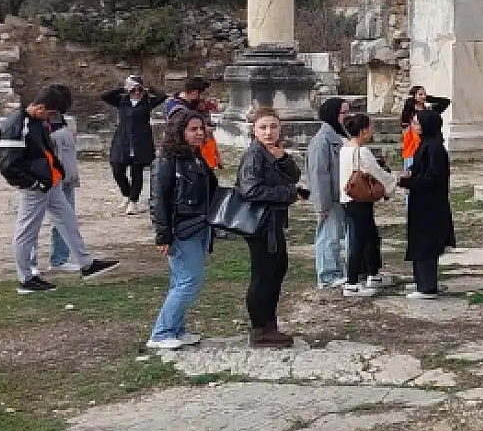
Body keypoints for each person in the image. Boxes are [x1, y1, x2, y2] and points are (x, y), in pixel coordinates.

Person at [0, 86, 119, 293]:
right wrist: (33, 183)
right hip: (36, 187)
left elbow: (45, 152)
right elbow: (9, 165)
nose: (51, 119)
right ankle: (26, 278)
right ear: (40, 107)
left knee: (68, 221)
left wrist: (57, 172)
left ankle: (87, 264)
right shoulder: (17, 125)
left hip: (51, 183)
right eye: (51, 113)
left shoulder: (37, 122)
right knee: (27, 231)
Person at [146, 108, 218, 350]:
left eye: (201, 128)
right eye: (193, 129)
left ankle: (176, 328)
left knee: (182, 280)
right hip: (182, 228)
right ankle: (162, 332)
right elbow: (158, 199)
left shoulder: (195, 157)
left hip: (198, 224)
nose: (199, 133)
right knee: (189, 281)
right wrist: (163, 234)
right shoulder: (167, 160)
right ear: (180, 131)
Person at [234, 108, 306, 347]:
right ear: (254, 130)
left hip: (273, 221)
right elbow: (250, 190)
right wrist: (287, 194)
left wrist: (283, 158)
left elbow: (294, 176)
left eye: (273, 127)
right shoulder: (254, 155)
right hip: (260, 223)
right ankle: (260, 329)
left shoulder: (272, 152)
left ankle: (269, 323)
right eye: (263, 127)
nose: (268, 132)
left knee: (277, 269)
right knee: (264, 274)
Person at [399, 108, 456, 300]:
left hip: (429, 204)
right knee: (421, 244)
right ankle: (423, 282)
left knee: (426, 245)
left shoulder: (435, 148)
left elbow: (432, 178)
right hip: (421, 202)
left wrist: (408, 181)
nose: (414, 126)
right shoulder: (426, 144)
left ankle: (427, 287)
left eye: (417, 123)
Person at [339, 113, 397, 298]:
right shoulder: (361, 151)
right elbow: (377, 173)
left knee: (370, 236)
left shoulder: (345, 149)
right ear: (364, 131)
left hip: (349, 199)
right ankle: (352, 283)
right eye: (370, 127)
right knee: (359, 240)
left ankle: (374, 274)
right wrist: (393, 182)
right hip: (359, 199)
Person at [102, 75, 167, 215]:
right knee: (117, 169)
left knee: (136, 172)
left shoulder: (148, 102)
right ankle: (126, 194)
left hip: (141, 141)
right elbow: (105, 96)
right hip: (123, 140)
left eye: (139, 90)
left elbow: (162, 96)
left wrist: (149, 88)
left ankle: (133, 201)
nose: (137, 93)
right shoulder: (122, 101)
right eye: (133, 90)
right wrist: (124, 88)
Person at [306, 98, 349, 291]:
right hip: (330, 197)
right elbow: (318, 174)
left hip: (344, 195)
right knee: (328, 236)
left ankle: (339, 271)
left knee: (339, 236)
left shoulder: (341, 135)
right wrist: (322, 204)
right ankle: (327, 275)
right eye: (344, 113)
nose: (347, 117)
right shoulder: (321, 141)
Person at [44, 86, 82, 275]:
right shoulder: (44, 126)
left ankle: (60, 257)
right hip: (53, 179)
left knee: (66, 220)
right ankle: (55, 260)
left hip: (67, 178)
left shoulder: (67, 123)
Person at [163, 77, 220, 170]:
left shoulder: (190, 104)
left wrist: (205, 109)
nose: (205, 98)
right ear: (194, 93)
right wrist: (205, 129)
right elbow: (180, 133)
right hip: (182, 153)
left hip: (192, 151)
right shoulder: (179, 110)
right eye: (203, 95)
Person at [399, 87, 450, 169]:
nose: (423, 96)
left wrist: (427, 98)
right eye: (420, 94)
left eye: (424, 94)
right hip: (414, 143)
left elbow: (446, 102)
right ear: (414, 96)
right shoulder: (409, 111)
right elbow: (404, 125)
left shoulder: (430, 110)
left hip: (429, 142)